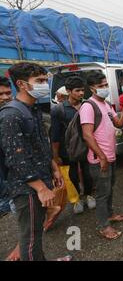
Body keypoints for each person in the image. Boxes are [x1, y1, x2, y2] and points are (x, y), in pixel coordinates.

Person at [0, 63, 71, 261]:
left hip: (41, 179)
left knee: (36, 232)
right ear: (22, 84)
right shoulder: (10, 115)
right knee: (30, 238)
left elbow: (41, 144)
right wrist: (41, 188)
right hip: (27, 189)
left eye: (45, 80)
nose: (45, 84)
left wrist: (54, 168)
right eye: (39, 81)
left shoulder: (32, 109)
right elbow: (17, 159)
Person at [80, 72, 123, 240]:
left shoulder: (106, 104)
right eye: (101, 86)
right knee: (102, 193)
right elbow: (87, 135)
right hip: (99, 159)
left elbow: (118, 123)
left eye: (106, 85)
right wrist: (101, 157)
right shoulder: (88, 106)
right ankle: (103, 226)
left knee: (109, 189)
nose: (105, 88)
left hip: (110, 156)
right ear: (92, 88)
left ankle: (109, 215)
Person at [51, 76, 94, 216]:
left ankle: (88, 195)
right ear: (68, 91)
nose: (81, 93)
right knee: (72, 175)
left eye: (82, 90)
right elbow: (55, 135)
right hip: (68, 150)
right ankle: (76, 200)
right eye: (77, 91)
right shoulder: (59, 110)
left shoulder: (87, 106)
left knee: (88, 174)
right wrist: (56, 156)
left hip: (87, 147)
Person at [0, 76, 20, 261]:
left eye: (8, 93)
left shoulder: (10, 115)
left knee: (18, 211)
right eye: (1, 94)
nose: (6, 97)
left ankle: (21, 246)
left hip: (9, 177)